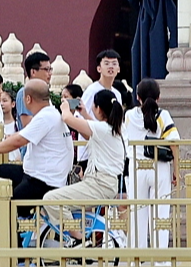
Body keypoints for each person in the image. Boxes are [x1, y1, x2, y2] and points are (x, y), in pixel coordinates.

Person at [0, 78, 72, 202]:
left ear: (28, 99)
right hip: (39, 174)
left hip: (44, 180)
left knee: (9, 206)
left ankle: (22, 219)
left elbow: (19, 141)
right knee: (1, 170)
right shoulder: (50, 113)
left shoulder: (44, 117)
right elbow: (23, 134)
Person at [44, 89, 129, 220]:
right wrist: (83, 113)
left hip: (98, 184)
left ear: (98, 109)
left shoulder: (102, 129)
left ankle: (76, 237)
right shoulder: (117, 128)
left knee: (51, 199)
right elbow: (94, 128)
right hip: (107, 184)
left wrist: (65, 107)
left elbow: (67, 118)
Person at [124, 80, 178, 246]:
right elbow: (174, 143)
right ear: (159, 97)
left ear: (137, 97)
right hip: (158, 167)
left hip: (136, 167)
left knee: (136, 213)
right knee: (160, 214)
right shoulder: (163, 115)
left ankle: (136, 260)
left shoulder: (129, 115)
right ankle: (160, 262)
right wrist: (177, 171)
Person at [14, 52, 54, 131]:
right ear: (33, 72)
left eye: (50, 69)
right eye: (46, 69)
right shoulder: (24, 93)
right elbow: (28, 125)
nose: (50, 73)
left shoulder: (44, 92)